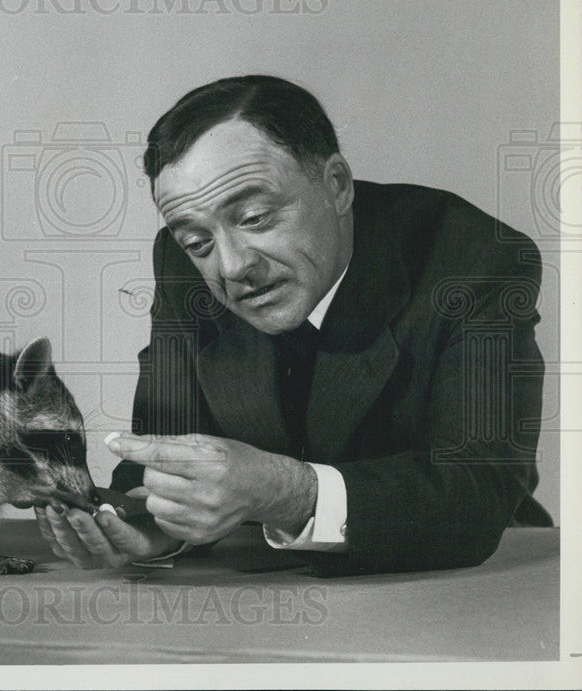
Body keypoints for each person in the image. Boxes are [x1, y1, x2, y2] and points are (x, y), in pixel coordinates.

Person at [35, 75, 552, 576]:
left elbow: (476, 495)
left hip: (474, 580)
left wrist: (289, 493)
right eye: (197, 243)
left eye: (255, 217)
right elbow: (169, 450)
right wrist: (155, 528)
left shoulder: (474, 259)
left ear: (336, 185)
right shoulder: (179, 264)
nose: (232, 266)